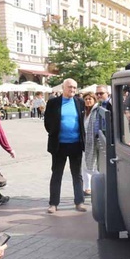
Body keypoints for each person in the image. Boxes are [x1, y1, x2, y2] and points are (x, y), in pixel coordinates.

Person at [44, 78, 87, 213]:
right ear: (63, 88)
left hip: (75, 144)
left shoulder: (80, 102)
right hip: (59, 145)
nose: (73, 90)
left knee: (77, 174)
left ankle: (79, 202)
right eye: (70, 87)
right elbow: (47, 122)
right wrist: (54, 132)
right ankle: (53, 203)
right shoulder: (53, 102)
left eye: (75, 87)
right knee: (57, 174)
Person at [82, 91, 100, 197]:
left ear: (94, 100)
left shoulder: (96, 110)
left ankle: (98, 186)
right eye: (86, 99)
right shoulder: (84, 112)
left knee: (93, 166)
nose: (88, 101)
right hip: (84, 143)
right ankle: (87, 188)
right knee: (84, 166)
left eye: (90, 99)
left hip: (93, 143)